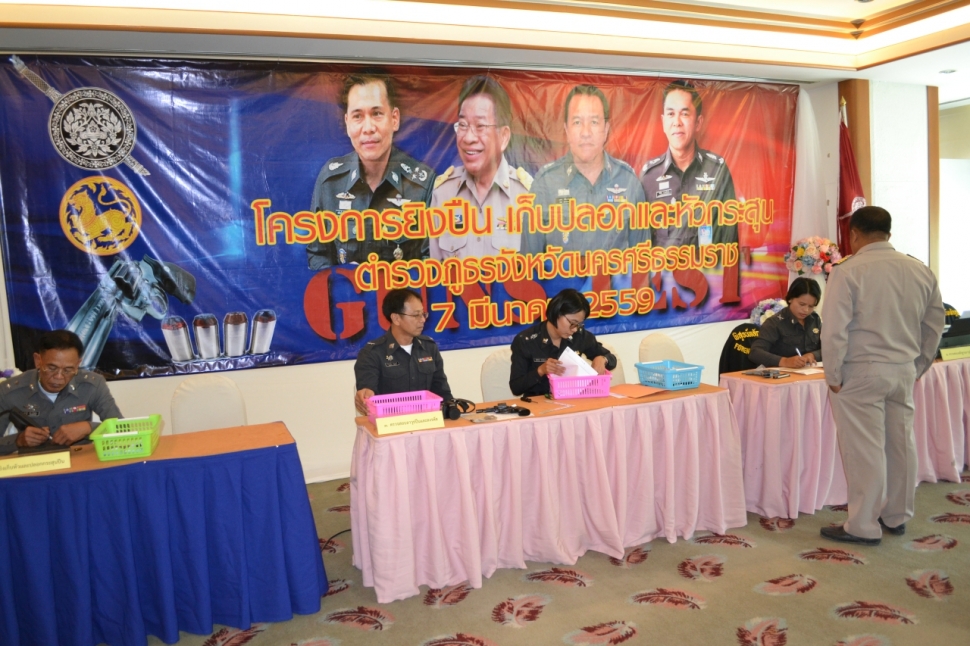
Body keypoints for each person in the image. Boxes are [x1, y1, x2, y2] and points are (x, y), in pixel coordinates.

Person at [820, 206, 945, 545]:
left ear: (854, 234)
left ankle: (862, 525)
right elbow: (934, 325)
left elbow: (833, 331)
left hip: (861, 371)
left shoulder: (847, 272)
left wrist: (833, 374)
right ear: (889, 233)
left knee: (864, 450)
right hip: (903, 369)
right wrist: (918, 365)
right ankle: (897, 516)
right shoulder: (920, 270)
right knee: (901, 444)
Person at [307, 72, 435, 270]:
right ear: (348, 123)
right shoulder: (330, 182)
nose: (368, 128)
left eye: (377, 114)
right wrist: (342, 281)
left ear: (394, 119)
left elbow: (432, 263)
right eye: (358, 116)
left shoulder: (423, 184)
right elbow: (317, 256)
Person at [522, 84, 648, 256]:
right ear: (566, 130)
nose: (586, 132)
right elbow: (529, 263)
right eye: (577, 122)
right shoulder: (545, 183)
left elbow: (642, 260)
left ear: (606, 130)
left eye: (594, 122)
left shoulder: (628, 182)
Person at [429, 75, 531, 259]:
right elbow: (435, 272)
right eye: (463, 125)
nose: (468, 138)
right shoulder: (443, 194)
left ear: (504, 137)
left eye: (480, 126)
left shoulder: (527, 197)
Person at [640, 79, 738, 249]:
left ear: (698, 122)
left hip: (708, 266)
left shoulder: (717, 171)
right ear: (663, 122)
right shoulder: (649, 176)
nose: (677, 122)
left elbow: (730, 242)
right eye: (671, 114)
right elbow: (641, 244)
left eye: (684, 114)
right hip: (664, 267)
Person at [0, 330, 122, 455]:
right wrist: (18, 440)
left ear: (77, 364)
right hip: (34, 462)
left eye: (68, 370)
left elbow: (122, 430)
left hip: (78, 459)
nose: (59, 377)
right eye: (51, 368)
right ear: (38, 360)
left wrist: (88, 428)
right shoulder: (9, 391)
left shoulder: (92, 385)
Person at [354, 288, 453, 415]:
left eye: (423, 314)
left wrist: (451, 408)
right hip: (389, 422)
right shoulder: (372, 353)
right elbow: (368, 392)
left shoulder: (429, 348)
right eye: (416, 315)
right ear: (396, 318)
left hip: (427, 420)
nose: (422, 320)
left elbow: (442, 392)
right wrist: (365, 395)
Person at [509, 289, 617, 397]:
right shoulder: (526, 340)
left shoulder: (580, 336)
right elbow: (516, 387)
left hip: (573, 399)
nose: (575, 329)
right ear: (557, 313)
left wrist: (602, 359)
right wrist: (541, 371)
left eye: (579, 324)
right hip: (538, 402)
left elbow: (612, 359)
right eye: (572, 323)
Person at [749, 277, 823, 368]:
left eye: (811, 306)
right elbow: (755, 352)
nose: (806, 310)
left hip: (811, 372)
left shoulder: (814, 319)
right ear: (790, 299)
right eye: (802, 304)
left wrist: (813, 355)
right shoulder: (775, 323)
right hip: (781, 373)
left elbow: (830, 348)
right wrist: (785, 361)